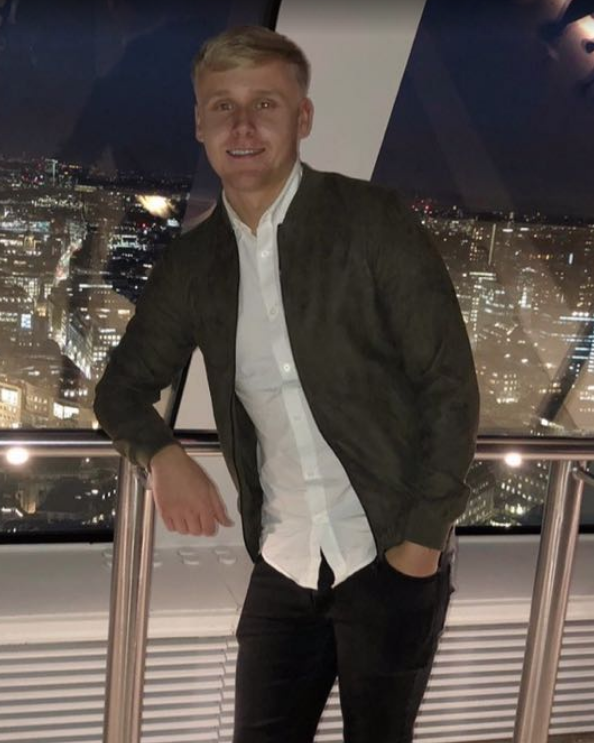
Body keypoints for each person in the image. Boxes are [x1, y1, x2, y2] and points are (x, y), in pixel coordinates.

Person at [94, 25, 480, 743]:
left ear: (301, 118)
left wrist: (420, 546)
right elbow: (120, 390)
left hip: (390, 551)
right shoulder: (194, 265)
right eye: (223, 106)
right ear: (200, 124)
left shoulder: (370, 221)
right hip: (284, 559)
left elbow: (449, 386)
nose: (242, 125)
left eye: (265, 104)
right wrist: (161, 454)